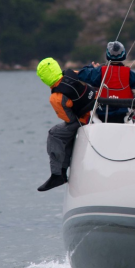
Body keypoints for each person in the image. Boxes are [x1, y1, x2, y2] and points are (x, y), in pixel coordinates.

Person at [36, 57, 97, 192]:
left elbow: (68, 118)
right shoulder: (72, 73)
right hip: (97, 106)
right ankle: (63, 170)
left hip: (85, 119)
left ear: (43, 78)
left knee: (55, 134)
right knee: (66, 131)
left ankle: (58, 174)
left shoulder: (56, 97)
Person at [94, 40, 135, 123]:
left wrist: (92, 68)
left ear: (107, 55)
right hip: (123, 116)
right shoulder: (130, 75)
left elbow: (79, 75)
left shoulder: (97, 72)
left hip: (102, 115)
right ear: (124, 54)